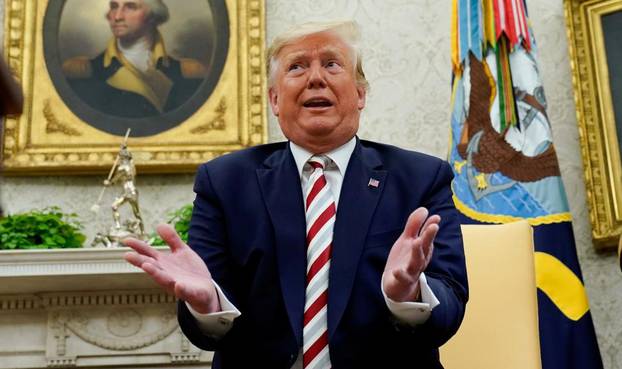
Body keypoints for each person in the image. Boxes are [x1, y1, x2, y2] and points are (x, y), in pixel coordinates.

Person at [124, 20, 468, 369]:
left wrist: (408, 294)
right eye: (297, 66)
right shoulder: (225, 182)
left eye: (332, 64)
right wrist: (208, 304)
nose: (315, 78)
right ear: (274, 99)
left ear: (360, 93)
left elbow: (451, 303)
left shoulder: (421, 178)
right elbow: (205, 327)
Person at [62, 0, 207, 118]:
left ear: (152, 16)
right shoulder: (81, 72)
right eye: (114, 6)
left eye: (130, 7)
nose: (117, 16)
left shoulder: (188, 72)